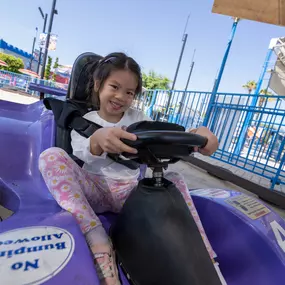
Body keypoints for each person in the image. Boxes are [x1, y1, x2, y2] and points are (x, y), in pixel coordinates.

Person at [39, 52, 220, 285]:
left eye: (129, 92)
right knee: (51, 156)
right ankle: (96, 237)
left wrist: (196, 135)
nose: (120, 96)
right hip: (94, 190)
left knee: (174, 178)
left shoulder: (139, 118)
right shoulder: (85, 120)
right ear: (97, 85)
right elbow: (82, 152)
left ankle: (202, 254)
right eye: (114, 87)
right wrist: (97, 140)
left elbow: (163, 136)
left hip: (131, 194)